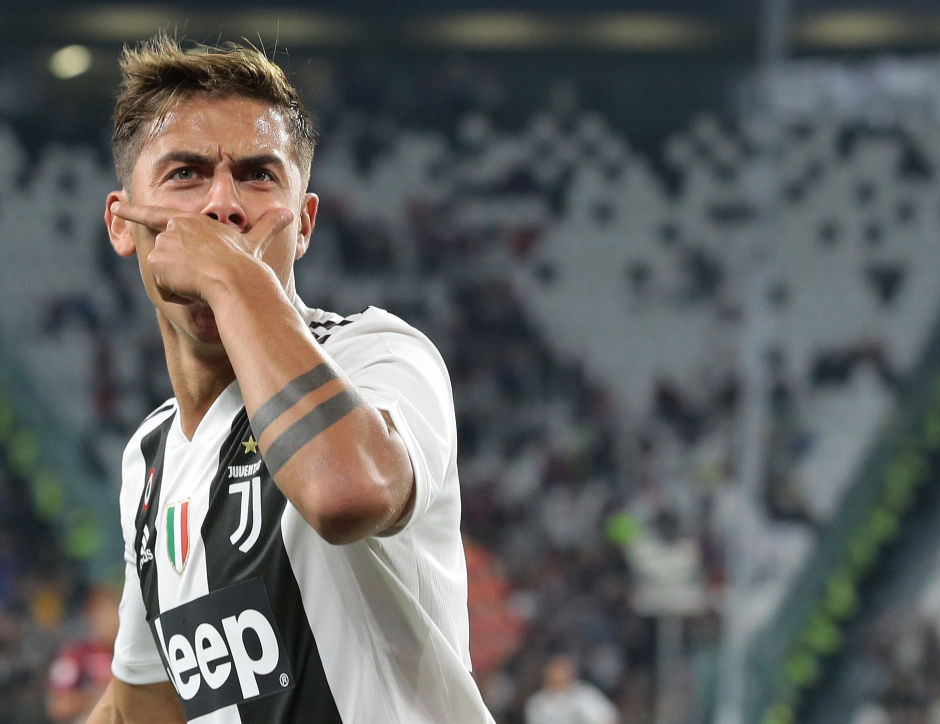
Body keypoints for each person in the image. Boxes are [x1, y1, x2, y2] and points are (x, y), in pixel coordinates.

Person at [86, 33, 493, 723]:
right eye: (186, 175)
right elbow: (143, 703)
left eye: (258, 176)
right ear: (124, 224)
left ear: (303, 225)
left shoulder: (378, 357)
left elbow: (345, 493)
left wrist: (227, 274)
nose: (223, 205)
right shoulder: (151, 456)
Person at [47, 584, 119, 723]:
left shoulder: (128, 657)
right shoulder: (74, 656)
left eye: (116, 611)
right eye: (105, 612)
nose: (113, 620)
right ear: (93, 615)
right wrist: (102, 694)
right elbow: (58, 705)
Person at [524, 653, 619, 724]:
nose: (558, 677)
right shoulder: (537, 703)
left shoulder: (586, 695)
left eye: (562, 672)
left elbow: (608, 718)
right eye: (554, 673)